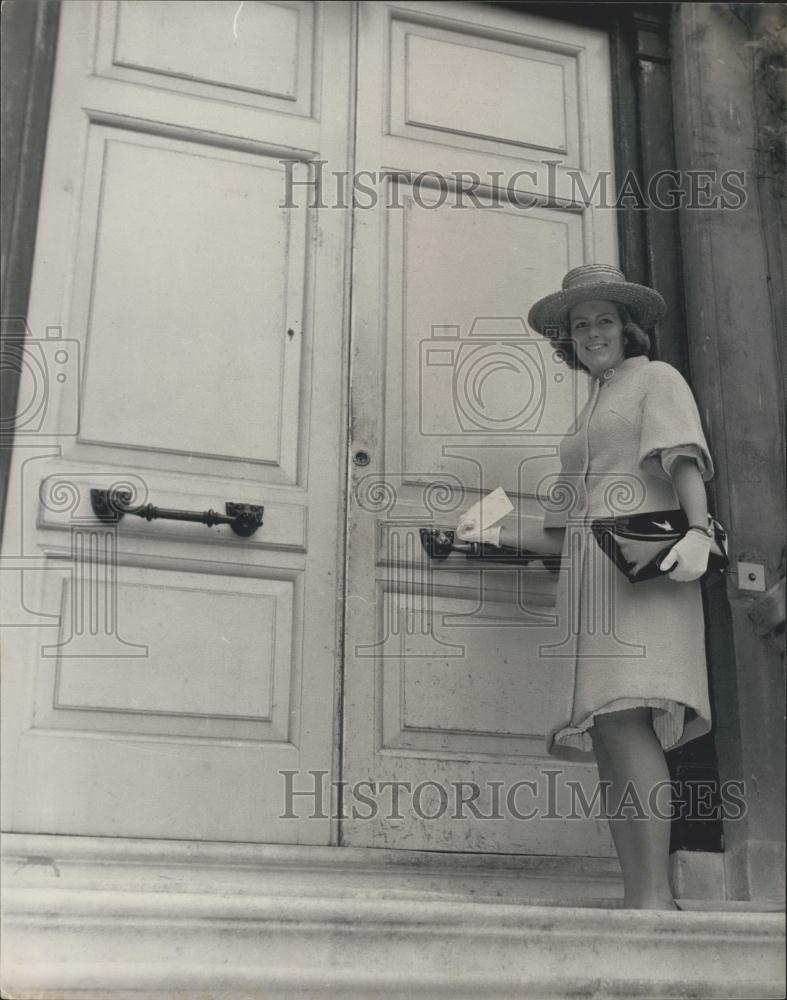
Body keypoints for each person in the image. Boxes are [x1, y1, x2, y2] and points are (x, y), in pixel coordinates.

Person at [456, 264, 717, 910]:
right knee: (607, 734)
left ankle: (655, 901)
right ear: (566, 341)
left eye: (603, 320)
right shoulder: (586, 415)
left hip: (647, 572)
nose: (591, 332)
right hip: (593, 579)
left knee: (628, 723)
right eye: (579, 325)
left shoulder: (656, 379)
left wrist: (700, 531)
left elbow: (681, 456)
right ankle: (640, 896)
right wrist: (481, 522)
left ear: (628, 329)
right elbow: (560, 530)